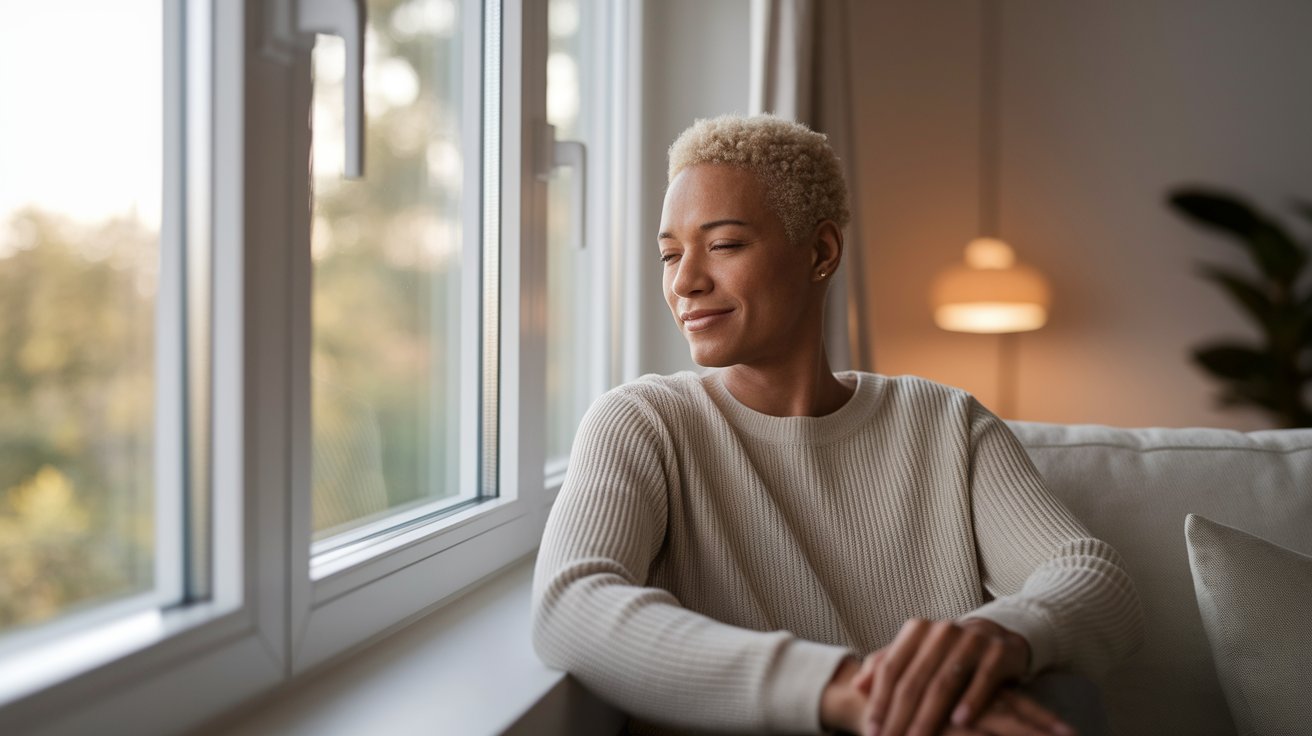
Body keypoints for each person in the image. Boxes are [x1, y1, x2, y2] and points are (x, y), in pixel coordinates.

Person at [532, 114, 1143, 736]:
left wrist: (999, 638)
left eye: (723, 245)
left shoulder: (945, 424)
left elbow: (1094, 577)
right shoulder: (643, 422)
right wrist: (847, 692)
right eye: (670, 253)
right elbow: (571, 606)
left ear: (820, 253)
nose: (685, 280)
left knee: (1066, 696)